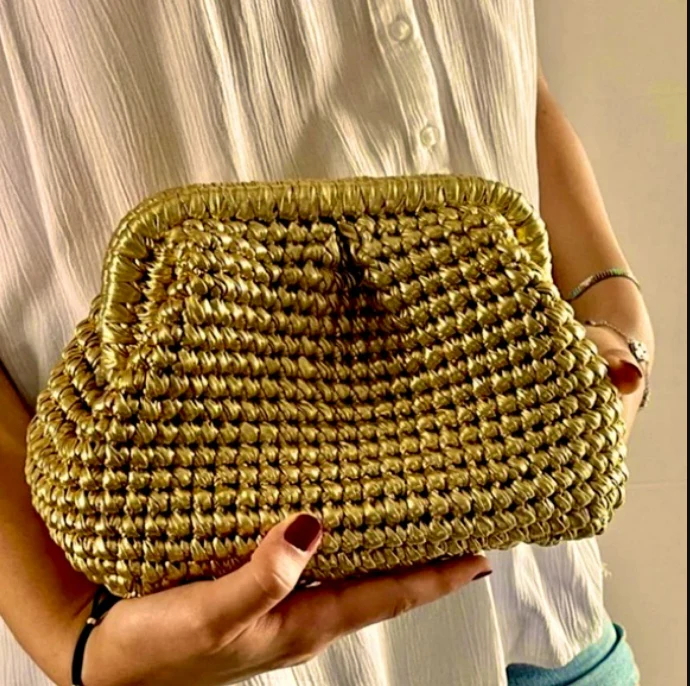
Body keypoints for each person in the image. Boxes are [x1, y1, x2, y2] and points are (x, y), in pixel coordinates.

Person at [0, 2, 653, 685]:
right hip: (203, 660)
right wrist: (65, 627)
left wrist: (612, 302)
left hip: (547, 620)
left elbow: (495, 59)